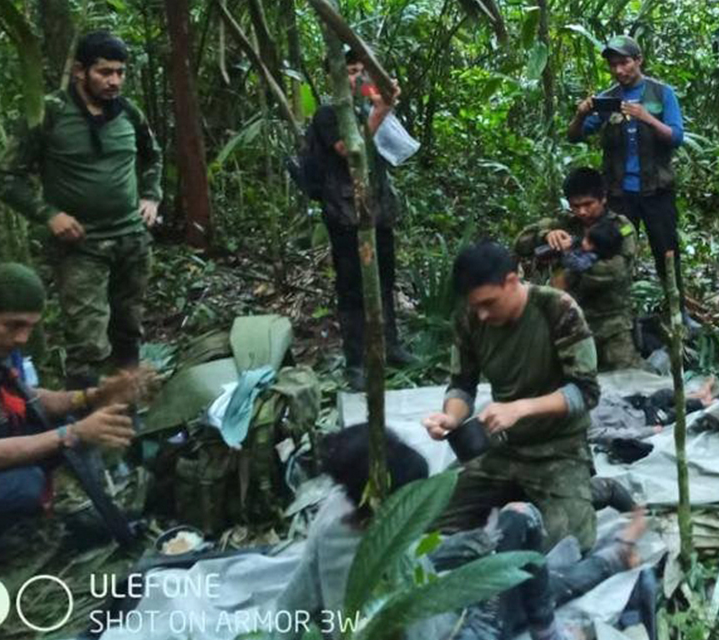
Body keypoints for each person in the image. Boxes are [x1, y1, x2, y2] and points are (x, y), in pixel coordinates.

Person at [274, 425, 646, 640]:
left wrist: (476, 545)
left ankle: (608, 558)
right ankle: (612, 561)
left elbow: (296, 598)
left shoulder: (336, 514)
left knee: (517, 547)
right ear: (389, 503)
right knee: (530, 555)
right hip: (458, 631)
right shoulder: (382, 556)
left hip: (435, 603)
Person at [0, 264, 151, 553]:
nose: (22, 338)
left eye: (30, 326)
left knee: (73, 420)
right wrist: (73, 433)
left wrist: (92, 396)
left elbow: (29, 398)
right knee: (23, 484)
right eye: (13, 325)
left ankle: (94, 506)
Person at [0, 31, 162, 389]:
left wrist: (150, 196)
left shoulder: (129, 113)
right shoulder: (48, 114)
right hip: (81, 246)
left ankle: (127, 415)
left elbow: (153, 157)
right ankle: (85, 429)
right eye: (104, 72)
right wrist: (48, 214)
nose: (114, 80)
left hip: (131, 240)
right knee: (87, 344)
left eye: (120, 72)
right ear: (79, 71)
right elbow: (8, 177)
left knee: (129, 329)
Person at [422, 242, 600, 552]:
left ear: (512, 281)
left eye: (489, 303)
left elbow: (585, 392)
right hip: (502, 449)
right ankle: (517, 496)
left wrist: (520, 409)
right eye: (475, 305)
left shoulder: (557, 308)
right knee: (424, 521)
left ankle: (596, 490)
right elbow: (462, 384)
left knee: (570, 544)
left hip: (559, 449)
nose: (482, 313)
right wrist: (451, 417)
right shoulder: (470, 317)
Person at [567, 36, 696, 331]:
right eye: (613, 65)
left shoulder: (661, 94)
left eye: (624, 62)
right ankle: (615, 315)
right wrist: (581, 113)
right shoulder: (608, 98)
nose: (619, 70)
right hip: (619, 194)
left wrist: (646, 117)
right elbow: (575, 136)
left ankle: (678, 312)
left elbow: (676, 137)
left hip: (657, 193)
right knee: (613, 251)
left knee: (667, 250)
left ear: (638, 60)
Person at [308, 49, 416, 391]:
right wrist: (381, 108)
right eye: (350, 71)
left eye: (361, 70)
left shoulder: (368, 106)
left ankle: (391, 344)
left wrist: (385, 99)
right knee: (352, 288)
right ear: (335, 77)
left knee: (384, 280)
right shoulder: (329, 114)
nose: (357, 77)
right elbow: (350, 150)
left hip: (378, 211)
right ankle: (355, 362)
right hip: (346, 216)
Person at [515, 168, 643, 371]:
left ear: (603, 199)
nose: (582, 211)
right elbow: (521, 243)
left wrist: (571, 262)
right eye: (576, 206)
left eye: (588, 204)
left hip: (611, 323)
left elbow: (617, 271)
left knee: (629, 382)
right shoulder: (564, 223)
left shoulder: (621, 227)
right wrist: (546, 235)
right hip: (568, 321)